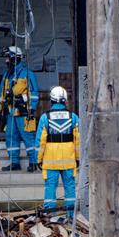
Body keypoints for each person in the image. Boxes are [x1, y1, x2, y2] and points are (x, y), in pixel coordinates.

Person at [38, 85, 79, 215]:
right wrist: (77, 158)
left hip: (50, 162)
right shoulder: (73, 117)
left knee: (50, 188)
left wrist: (38, 159)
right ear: (65, 100)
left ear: (51, 100)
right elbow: (78, 141)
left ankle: (50, 215)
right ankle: (71, 216)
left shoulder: (45, 118)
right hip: (69, 161)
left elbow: (41, 142)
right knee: (70, 188)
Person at [0, 46, 39, 171]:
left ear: (16, 58)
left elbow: (34, 93)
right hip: (11, 113)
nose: (6, 61)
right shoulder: (6, 75)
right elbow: (1, 94)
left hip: (24, 113)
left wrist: (31, 109)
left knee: (28, 137)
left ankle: (33, 162)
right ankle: (14, 163)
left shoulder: (27, 74)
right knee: (10, 137)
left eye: (8, 57)